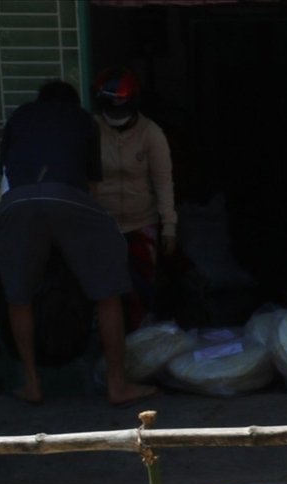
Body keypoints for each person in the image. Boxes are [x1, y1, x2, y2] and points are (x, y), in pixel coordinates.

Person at [0, 80, 155, 406]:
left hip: (17, 202)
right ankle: (117, 385)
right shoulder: (83, 120)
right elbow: (91, 189)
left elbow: (6, 180)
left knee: (18, 298)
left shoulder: (20, 116)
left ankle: (32, 384)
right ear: (74, 103)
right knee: (108, 294)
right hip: (69, 199)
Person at [91, 68, 176, 331]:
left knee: (141, 290)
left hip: (141, 223)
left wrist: (169, 225)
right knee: (105, 293)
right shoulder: (90, 129)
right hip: (102, 225)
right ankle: (108, 351)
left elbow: (164, 181)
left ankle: (142, 346)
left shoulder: (151, 133)